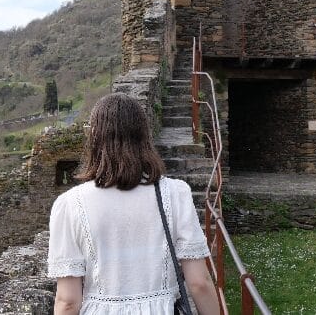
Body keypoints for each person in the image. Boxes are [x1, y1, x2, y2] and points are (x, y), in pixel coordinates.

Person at [47, 92, 220, 315]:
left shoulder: (69, 204)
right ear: (144, 137)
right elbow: (199, 283)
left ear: (95, 138)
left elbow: (68, 301)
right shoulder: (175, 193)